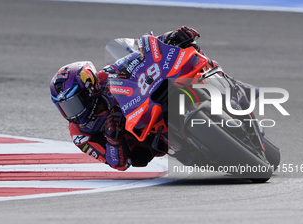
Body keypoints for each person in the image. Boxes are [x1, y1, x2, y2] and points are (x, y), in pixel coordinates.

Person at [49, 26, 214, 171]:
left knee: (187, 56)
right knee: (141, 158)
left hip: (147, 103)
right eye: (65, 107)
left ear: (90, 89)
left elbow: (138, 55)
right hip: (144, 136)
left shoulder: (105, 76)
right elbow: (118, 165)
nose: (72, 113)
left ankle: (218, 80)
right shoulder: (80, 133)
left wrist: (171, 36)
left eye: (74, 104)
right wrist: (113, 139)